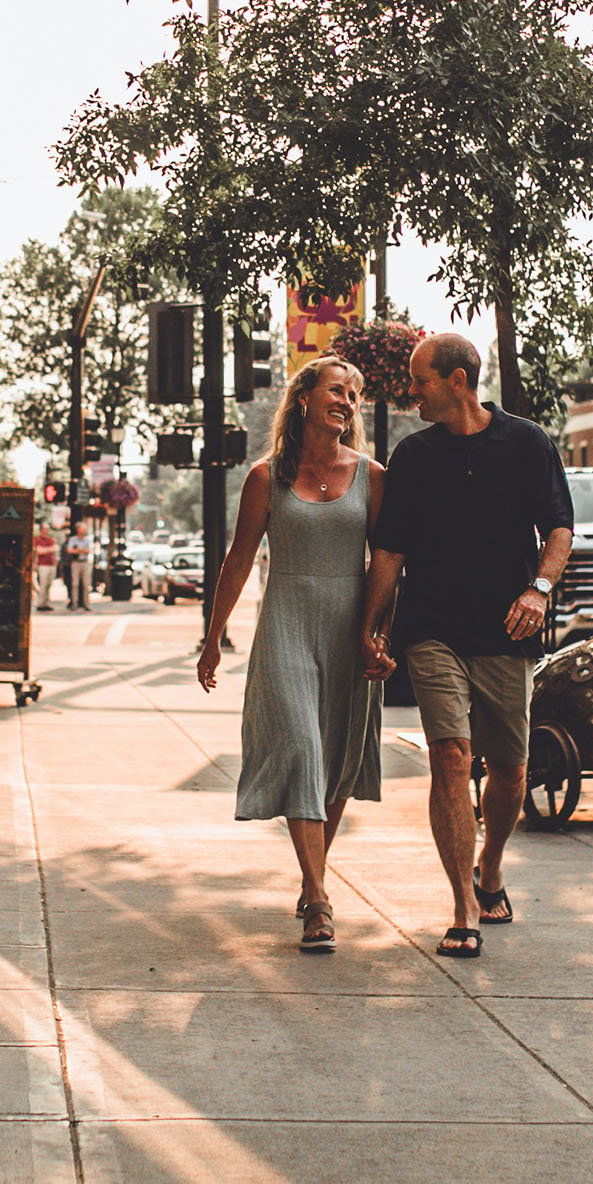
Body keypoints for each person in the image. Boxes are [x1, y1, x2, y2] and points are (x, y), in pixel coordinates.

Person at [362, 332, 573, 959]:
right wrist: (371, 626)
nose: (411, 393)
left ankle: (491, 866)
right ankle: (461, 906)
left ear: (457, 381)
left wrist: (538, 591)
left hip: (507, 630)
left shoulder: (527, 443)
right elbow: (390, 551)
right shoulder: (413, 456)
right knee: (450, 756)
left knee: (510, 770)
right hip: (431, 629)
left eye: (420, 381)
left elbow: (559, 529)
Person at [199, 357, 383, 953]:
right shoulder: (266, 477)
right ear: (302, 398)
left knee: (336, 761)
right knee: (302, 749)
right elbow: (238, 559)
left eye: (354, 395)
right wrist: (212, 636)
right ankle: (321, 902)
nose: (348, 402)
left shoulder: (373, 476)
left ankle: (311, 881)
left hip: (349, 626)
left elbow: (388, 564)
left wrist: (380, 632)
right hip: (285, 623)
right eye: (337, 390)